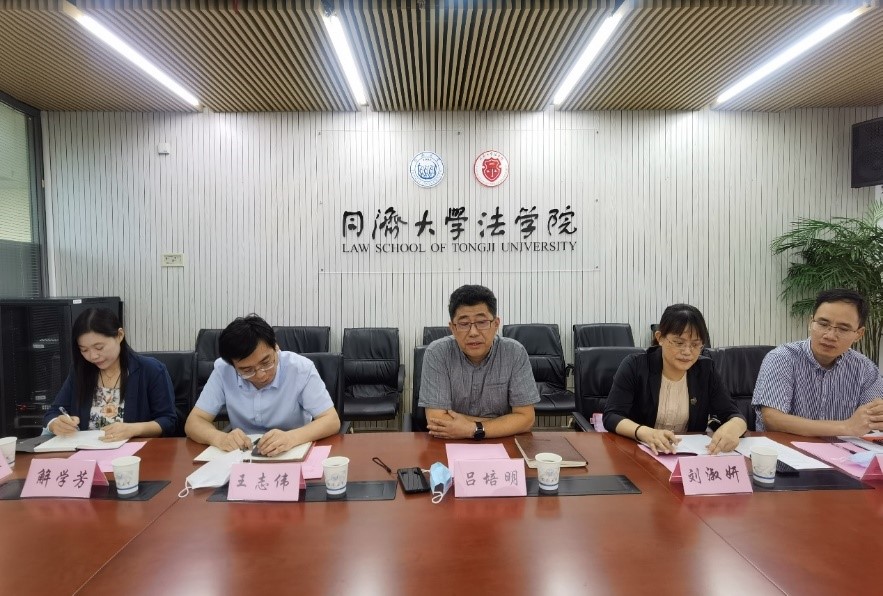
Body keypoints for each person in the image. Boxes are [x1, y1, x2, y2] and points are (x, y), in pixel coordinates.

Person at [185, 314, 340, 455]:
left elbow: (331, 420)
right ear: (233, 365)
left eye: (266, 363)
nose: (261, 375)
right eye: (247, 370)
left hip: (292, 450)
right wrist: (220, 438)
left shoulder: (300, 368)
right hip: (243, 455)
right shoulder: (223, 370)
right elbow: (194, 422)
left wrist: (291, 438)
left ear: (276, 347)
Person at [603, 304, 746, 454]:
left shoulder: (706, 370)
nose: (687, 352)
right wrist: (645, 432)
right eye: (679, 343)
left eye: (695, 344)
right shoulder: (635, 366)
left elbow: (735, 415)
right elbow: (612, 416)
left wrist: (734, 427)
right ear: (660, 338)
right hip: (638, 453)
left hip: (688, 455)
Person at [752, 289, 883, 436]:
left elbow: (871, 420)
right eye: (823, 324)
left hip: (843, 450)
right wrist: (846, 427)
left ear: (859, 334)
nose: (830, 335)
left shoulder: (866, 369)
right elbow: (772, 420)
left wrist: (877, 416)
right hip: (785, 448)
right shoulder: (782, 358)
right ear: (811, 322)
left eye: (843, 329)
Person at [419, 284, 539, 440]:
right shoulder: (437, 353)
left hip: (500, 442)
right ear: (452, 328)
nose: (473, 333)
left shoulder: (515, 353)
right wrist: (504, 422)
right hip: (451, 442)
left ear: (496, 324)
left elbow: (526, 419)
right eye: (464, 324)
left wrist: (472, 428)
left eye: (482, 322)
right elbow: (438, 421)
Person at [44, 308, 177, 439]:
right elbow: (54, 412)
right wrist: (55, 424)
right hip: (85, 451)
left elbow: (168, 421)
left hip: (132, 451)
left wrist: (134, 429)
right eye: (84, 350)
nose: (93, 356)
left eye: (99, 347)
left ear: (119, 335)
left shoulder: (151, 370)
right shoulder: (80, 371)